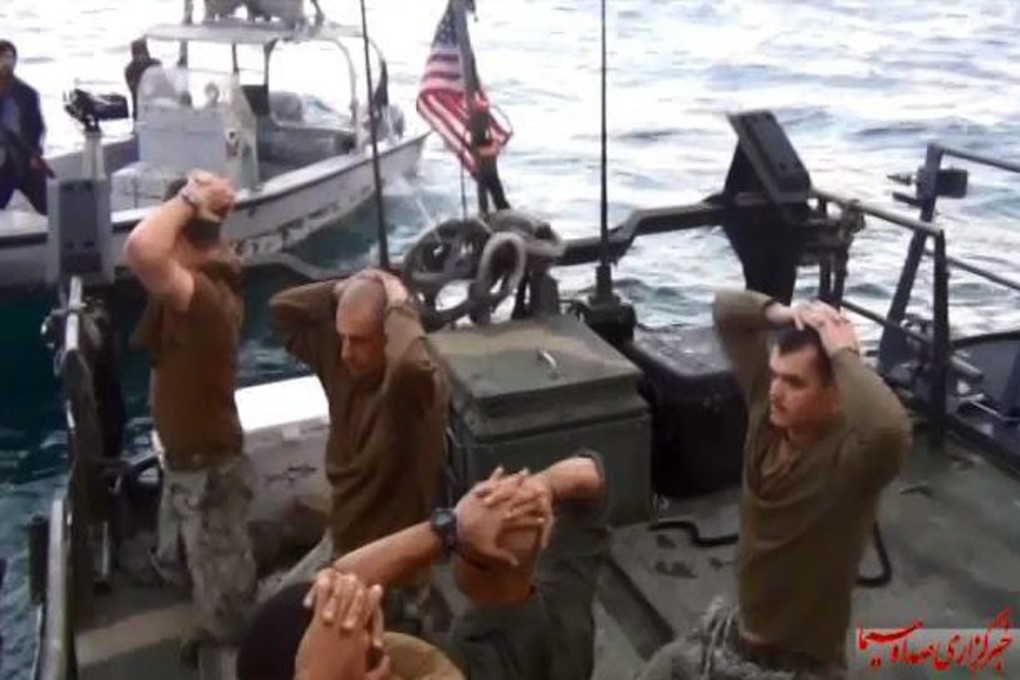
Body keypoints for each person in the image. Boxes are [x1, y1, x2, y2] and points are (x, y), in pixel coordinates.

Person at [638, 290, 913, 679]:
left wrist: (843, 355)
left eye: (795, 383)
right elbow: (726, 311)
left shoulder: (853, 462)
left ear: (836, 396)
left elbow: (890, 427)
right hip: (739, 633)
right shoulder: (768, 415)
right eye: (776, 375)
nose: (776, 391)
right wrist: (786, 312)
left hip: (799, 662)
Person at [279, 452, 609, 680]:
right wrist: (543, 486)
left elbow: (337, 584)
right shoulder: (569, 610)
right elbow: (592, 475)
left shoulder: (453, 662)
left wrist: (450, 527)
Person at [267, 268, 449, 631]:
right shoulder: (342, 360)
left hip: (391, 563)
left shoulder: (413, 398)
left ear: (389, 336)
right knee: (274, 622)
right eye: (343, 337)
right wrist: (342, 288)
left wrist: (398, 302)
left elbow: (412, 364)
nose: (347, 352)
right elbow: (282, 310)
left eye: (361, 340)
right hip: (341, 537)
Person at [125, 170, 256, 658]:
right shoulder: (203, 277)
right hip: (186, 460)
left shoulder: (204, 301)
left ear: (180, 235)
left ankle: (231, 647)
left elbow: (142, 249)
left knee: (228, 591)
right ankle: (209, 612)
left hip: (209, 468)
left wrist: (189, 198)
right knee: (197, 558)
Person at [0, 39, 47, 215]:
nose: (5, 62)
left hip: (23, 158)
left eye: (9, 57)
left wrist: (36, 153)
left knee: (48, 205)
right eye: (2, 57)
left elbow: (37, 127)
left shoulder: (27, 93)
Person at [124, 37, 162, 119]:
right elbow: (135, 89)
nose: (141, 56)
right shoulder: (130, 70)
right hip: (140, 110)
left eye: (143, 53)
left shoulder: (155, 64)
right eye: (138, 54)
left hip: (159, 108)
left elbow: (164, 83)